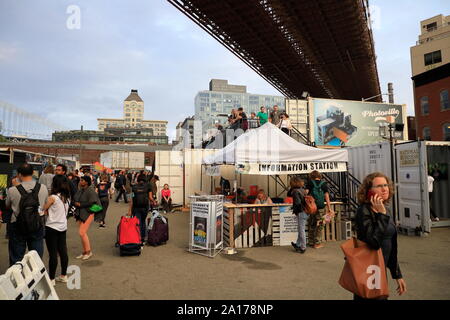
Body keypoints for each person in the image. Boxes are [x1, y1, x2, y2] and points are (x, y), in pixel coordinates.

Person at [354, 172, 407, 300]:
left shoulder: (385, 209)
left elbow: (391, 245)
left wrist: (397, 275)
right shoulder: (364, 211)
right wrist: (381, 215)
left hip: (380, 271)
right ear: (368, 191)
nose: (384, 189)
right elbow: (374, 242)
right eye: (379, 186)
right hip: (368, 272)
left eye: (386, 185)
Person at [5, 163, 49, 266]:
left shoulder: (12, 190)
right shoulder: (42, 188)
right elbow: (45, 205)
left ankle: (17, 279)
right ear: (33, 173)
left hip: (17, 224)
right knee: (36, 257)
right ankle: (36, 278)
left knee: (16, 257)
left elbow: (7, 205)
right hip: (37, 224)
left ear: (19, 174)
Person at [42, 175, 70, 286]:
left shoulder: (52, 197)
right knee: (63, 252)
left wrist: (45, 211)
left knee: (53, 254)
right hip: (63, 227)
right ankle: (64, 275)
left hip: (51, 228)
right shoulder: (67, 197)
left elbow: (43, 209)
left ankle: (52, 279)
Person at [305, 170, 334, 249]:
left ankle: (310, 242)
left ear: (312, 176)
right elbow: (327, 197)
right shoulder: (323, 184)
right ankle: (317, 243)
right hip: (321, 207)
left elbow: (305, 194)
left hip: (312, 208)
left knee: (312, 224)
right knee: (320, 225)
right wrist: (329, 208)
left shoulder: (310, 183)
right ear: (319, 176)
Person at [73, 176, 100, 260]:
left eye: (82, 180)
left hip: (88, 213)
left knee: (82, 232)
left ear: (87, 182)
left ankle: (88, 252)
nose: (80, 181)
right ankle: (84, 251)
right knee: (82, 234)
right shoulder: (81, 190)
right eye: (80, 180)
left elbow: (94, 202)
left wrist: (81, 204)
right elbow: (75, 199)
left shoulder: (90, 190)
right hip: (81, 213)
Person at [128, 175, 151, 246]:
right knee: (143, 222)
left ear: (138, 179)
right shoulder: (148, 186)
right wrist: (154, 201)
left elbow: (131, 199)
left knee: (137, 222)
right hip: (145, 207)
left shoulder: (134, 187)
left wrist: (129, 210)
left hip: (136, 207)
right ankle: (143, 238)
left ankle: (138, 238)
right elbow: (150, 197)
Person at [289, 177, 308, 254]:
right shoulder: (303, 190)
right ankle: (298, 244)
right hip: (306, 211)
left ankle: (303, 247)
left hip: (301, 212)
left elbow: (297, 203)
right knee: (301, 229)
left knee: (301, 230)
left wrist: (294, 209)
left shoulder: (295, 191)